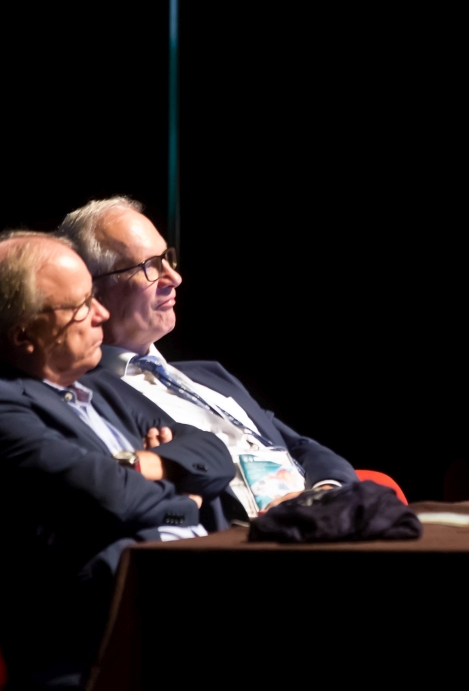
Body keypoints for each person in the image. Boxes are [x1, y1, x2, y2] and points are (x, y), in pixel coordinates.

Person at [0, 231, 234, 681]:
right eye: (81, 306)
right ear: (23, 335)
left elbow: (214, 453)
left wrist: (145, 465)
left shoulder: (98, 389)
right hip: (111, 637)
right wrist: (186, 500)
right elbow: (112, 498)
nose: (101, 314)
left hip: (179, 597)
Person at [57, 197, 356, 524]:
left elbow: (300, 447)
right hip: (240, 537)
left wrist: (324, 492)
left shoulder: (208, 374)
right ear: (93, 290)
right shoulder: (86, 396)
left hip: (319, 524)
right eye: (150, 267)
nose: (174, 277)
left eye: (167, 259)